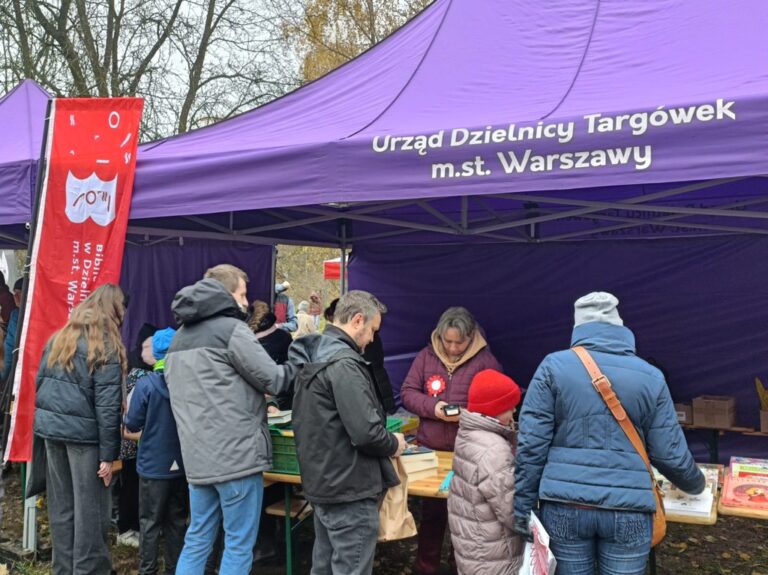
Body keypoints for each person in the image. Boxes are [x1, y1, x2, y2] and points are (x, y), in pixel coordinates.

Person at [513, 292, 705, 575]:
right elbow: (670, 454)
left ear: (578, 327)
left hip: (564, 504)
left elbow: (531, 446)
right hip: (629, 509)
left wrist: (523, 507)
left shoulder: (553, 367)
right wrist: (697, 485)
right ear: (620, 327)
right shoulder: (651, 376)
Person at [165, 264, 295, 575]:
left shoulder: (178, 338)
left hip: (197, 457)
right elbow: (275, 380)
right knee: (238, 543)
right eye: (242, 294)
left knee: (197, 538)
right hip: (237, 457)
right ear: (225, 295)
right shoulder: (233, 331)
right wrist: (301, 362)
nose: (246, 302)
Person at [290, 290, 407, 575]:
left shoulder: (315, 353)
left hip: (324, 483)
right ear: (357, 320)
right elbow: (366, 432)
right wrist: (394, 443)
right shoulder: (344, 364)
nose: (372, 340)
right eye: (373, 330)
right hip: (349, 489)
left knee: (324, 566)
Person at [401, 306, 502, 575]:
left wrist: (468, 414)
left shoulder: (486, 362)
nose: (453, 348)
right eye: (448, 341)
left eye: (459, 342)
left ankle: (461, 568)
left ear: (471, 337)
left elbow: (498, 404)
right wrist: (433, 408)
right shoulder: (426, 356)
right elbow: (408, 392)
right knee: (432, 517)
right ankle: (425, 568)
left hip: (469, 453)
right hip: (432, 452)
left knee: (468, 520)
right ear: (439, 335)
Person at [33, 283, 126, 575]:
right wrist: (109, 457)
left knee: (62, 508)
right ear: (113, 309)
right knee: (91, 512)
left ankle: (63, 569)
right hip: (84, 438)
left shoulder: (59, 338)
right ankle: (89, 570)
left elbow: (39, 384)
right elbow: (108, 408)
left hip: (52, 433)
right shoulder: (105, 345)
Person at [448, 369, 524, 575]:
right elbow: (511, 509)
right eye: (509, 406)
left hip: (473, 546)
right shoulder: (494, 450)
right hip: (494, 555)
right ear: (495, 410)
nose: (514, 410)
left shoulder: (469, 434)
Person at [125, 327, 187, 575]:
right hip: (181, 463)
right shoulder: (186, 383)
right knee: (177, 521)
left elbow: (132, 423)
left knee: (149, 523)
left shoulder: (145, 384)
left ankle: (147, 570)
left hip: (152, 464)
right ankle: (175, 570)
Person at [116, 323, 158, 549]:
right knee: (132, 486)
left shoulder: (136, 368)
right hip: (134, 441)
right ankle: (126, 529)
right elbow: (132, 413)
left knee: (132, 485)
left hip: (134, 440)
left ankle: (132, 528)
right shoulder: (141, 374)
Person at [1, 277, 23, 381]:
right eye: (15, 293)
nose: (15, 297)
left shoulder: (17, 316)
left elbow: (9, 354)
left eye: (19, 293)